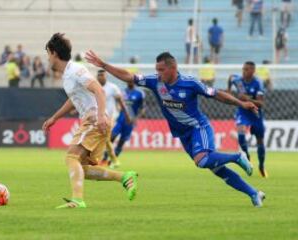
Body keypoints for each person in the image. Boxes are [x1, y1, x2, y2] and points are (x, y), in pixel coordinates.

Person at [86, 50, 266, 207]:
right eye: (157, 69)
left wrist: (241, 103)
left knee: (202, 160)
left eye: (161, 70)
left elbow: (217, 94)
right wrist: (103, 64)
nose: (158, 73)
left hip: (198, 127)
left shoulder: (190, 83)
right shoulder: (155, 82)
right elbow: (128, 76)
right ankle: (254, 193)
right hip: (183, 134)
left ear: (173, 68)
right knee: (216, 169)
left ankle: (237, 156)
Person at [42, 33, 138, 209]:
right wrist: (54, 118)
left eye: (48, 53)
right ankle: (124, 177)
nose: (47, 58)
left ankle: (77, 200)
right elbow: (73, 99)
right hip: (93, 120)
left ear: (54, 53)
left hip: (94, 119)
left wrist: (101, 116)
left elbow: (98, 90)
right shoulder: (67, 76)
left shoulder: (76, 70)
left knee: (71, 157)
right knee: (82, 169)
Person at [228, 61, 268, 178]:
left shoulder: (258, 83)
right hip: (242, 112)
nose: (244, 72)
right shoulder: (238, 80)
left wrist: (247, 98)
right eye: (243, 69)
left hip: (255, 113)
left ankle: (261, 165)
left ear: (253, 71)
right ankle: (247, 157)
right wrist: (229, 90)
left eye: (246, 69)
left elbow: (260, 103)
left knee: (260, 141)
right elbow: (231, 77)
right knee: (240, 133)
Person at [97, 69, 131, 168]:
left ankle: (102, 160)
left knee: (105, 138)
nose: (100, 77)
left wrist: (126, 114)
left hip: (110, 117)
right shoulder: (94, 87)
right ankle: (113, 160)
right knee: (105, 139)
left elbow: (121, 101)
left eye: (102, 75)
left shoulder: (112, 87)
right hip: (98, 117)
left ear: (106, 76)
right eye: (99, 76)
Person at [109, 80, 145, 161]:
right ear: (126, 82)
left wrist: (136, 118)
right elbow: (117, 103)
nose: (130, 82)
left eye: (131, 81)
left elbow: (143, 108)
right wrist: (117, 109)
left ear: (134, 82)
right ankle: (105, 156)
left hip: (130, 122)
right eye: (128, 81)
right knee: (112, 137)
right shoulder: (122, 92)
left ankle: (113, 160)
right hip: (120, 119)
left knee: (122, 141)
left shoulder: (139, 93)